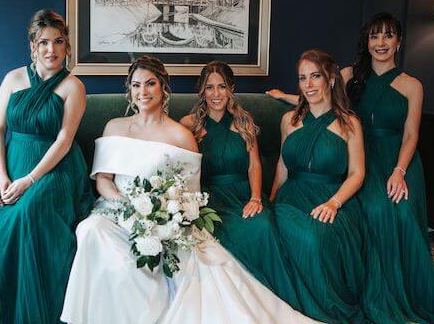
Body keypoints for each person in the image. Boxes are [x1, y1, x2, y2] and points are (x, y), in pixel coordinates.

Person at [61, 56, 321, 324]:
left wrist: (162, 217)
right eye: (136, 85)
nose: (143, 92)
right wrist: (127, 205)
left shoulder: (181, 135)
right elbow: (103, 179)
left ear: (163, 88)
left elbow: (190, 193)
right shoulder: (114, 127)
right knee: (89, 230)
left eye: (150, 84)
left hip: (162, 217)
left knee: (166, 258)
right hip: (117, 211)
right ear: (129, 89)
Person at [268, 13, 434, 323]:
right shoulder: (349, 74)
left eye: (388, 36)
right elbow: (319, 96)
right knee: (369, 209)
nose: (381, 42)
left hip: (395, 157)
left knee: (395, 211)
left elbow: (412, 133)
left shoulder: (411, 85)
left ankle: (404, 288)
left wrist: (399, 171)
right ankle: (370, 283)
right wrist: (285, 97)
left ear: (399, 42)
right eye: (374, 36)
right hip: (360, 156)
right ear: (367, 42)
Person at [0, 9, 94, 323]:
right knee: (2, 220)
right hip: (15, 164)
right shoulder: (12, 79)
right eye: (43, 42)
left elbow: (64, 140)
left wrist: (29, 180)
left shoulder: (73, 86)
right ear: (32, 46)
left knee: (30, 212)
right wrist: (1, 177)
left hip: (55, 169)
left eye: (58, 42)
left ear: (67, 46)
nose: (51, 50)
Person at [270, 49, 406, 323]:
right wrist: (271, 200)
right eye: (302, 78)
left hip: (332, 197)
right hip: (291, 197)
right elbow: (283, 167)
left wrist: (334, 202)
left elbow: (357, 173)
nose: (308, 85)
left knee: (317, 238)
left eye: (315, 76)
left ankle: (326, 307)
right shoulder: (290, 120)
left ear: (331, 79)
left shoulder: (349, 123)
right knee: (270, 231)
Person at [180, 61, 305, 309]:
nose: (216, 94)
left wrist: (256, 198)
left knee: (263, 226)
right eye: (209, 88)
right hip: (210, 198)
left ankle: (273, 302)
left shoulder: (244, 121)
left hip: (243, 195)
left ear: (231, 88)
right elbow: (184, 170)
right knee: (228, 232)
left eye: (222, 87)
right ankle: (241, 304)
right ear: (201, 91)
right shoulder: (189, 124)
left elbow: (254, 165)